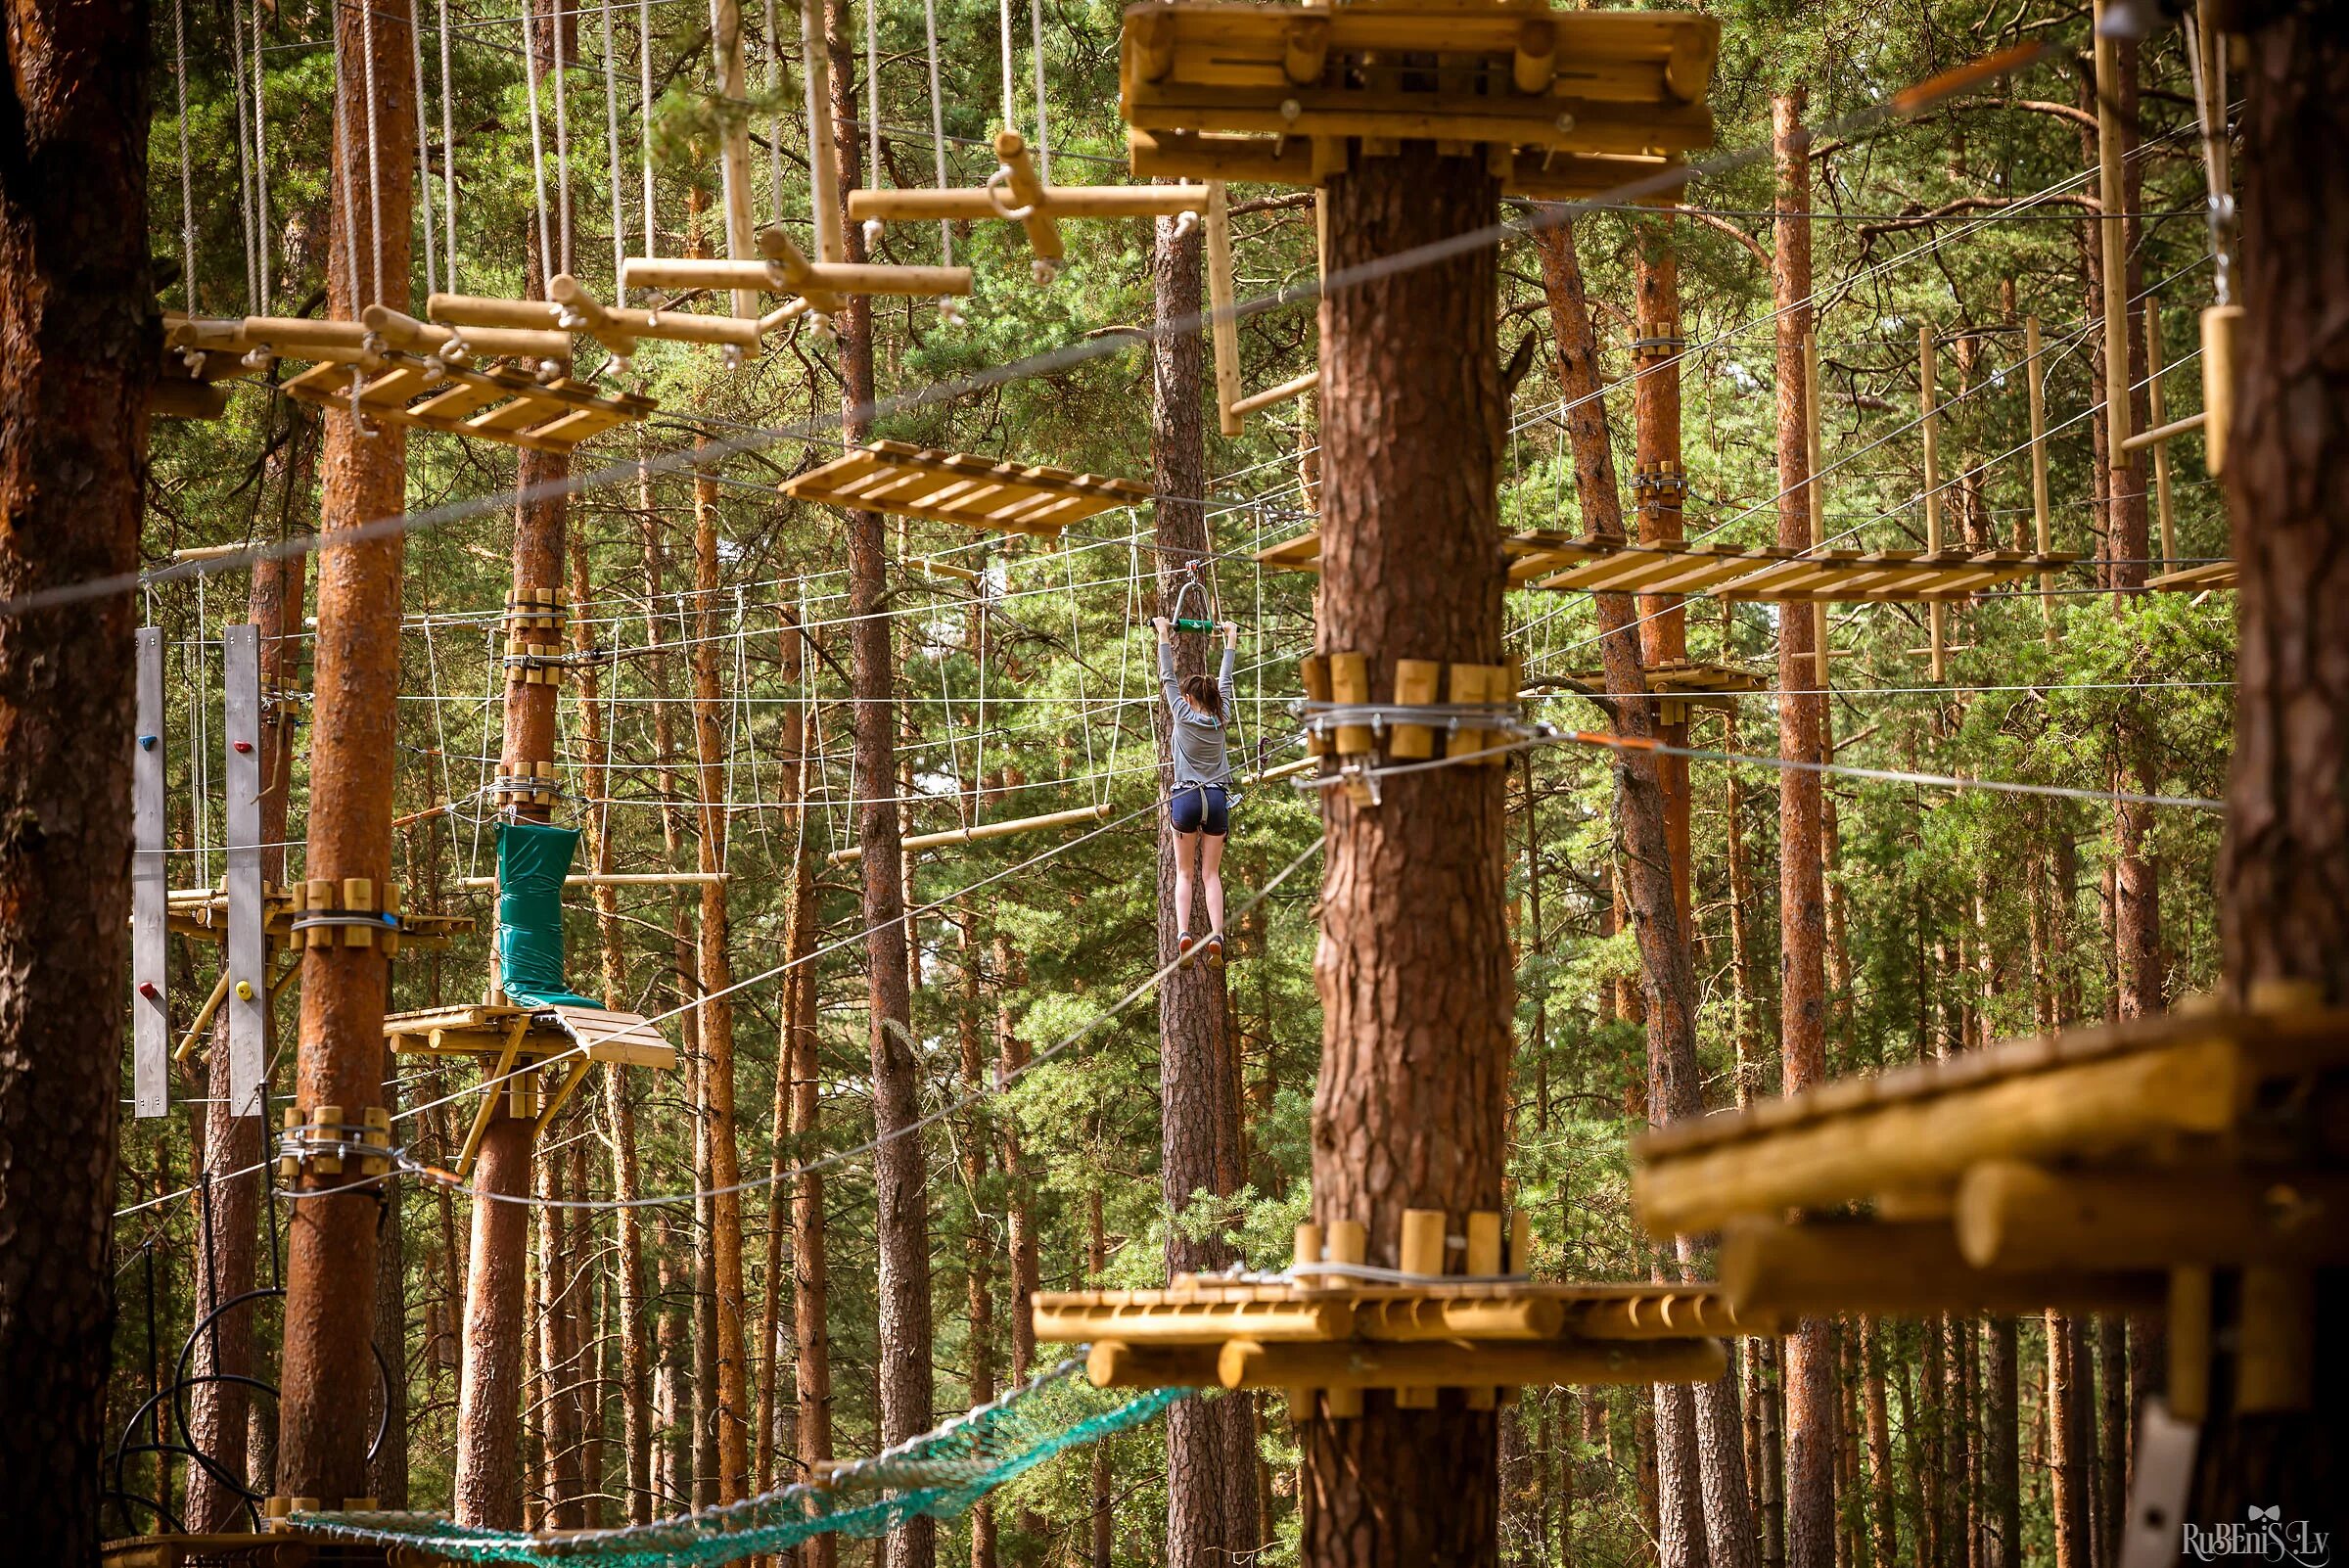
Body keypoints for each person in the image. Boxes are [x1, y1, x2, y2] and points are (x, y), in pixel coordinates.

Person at [1155, 613, 1239, 964]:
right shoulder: (1222, 718)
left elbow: (1167, 676)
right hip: (1217, 799)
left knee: (1186, 873)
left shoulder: (1181, 712)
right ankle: (1217, 935)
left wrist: (1163, 634)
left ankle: (1184, 933)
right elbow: (1226, 679)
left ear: (1189, 699)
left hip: (1187, 798)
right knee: (1211, 874)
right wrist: (1230, 639)